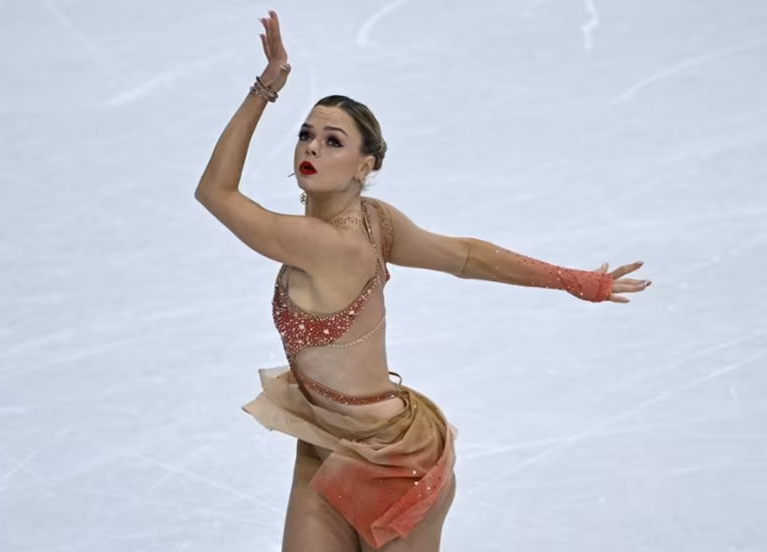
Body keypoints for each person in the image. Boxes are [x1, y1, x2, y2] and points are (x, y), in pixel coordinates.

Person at [194, 10, 651, 551]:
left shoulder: (324, 242)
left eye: (334, 141)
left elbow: (215, 193)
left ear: (364, 166)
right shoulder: (374, 221)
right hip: (326, 438)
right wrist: (569, 279)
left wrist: (264, 89)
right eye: (306, 134)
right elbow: (463, 257)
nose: (312, 147)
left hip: (393, 459)